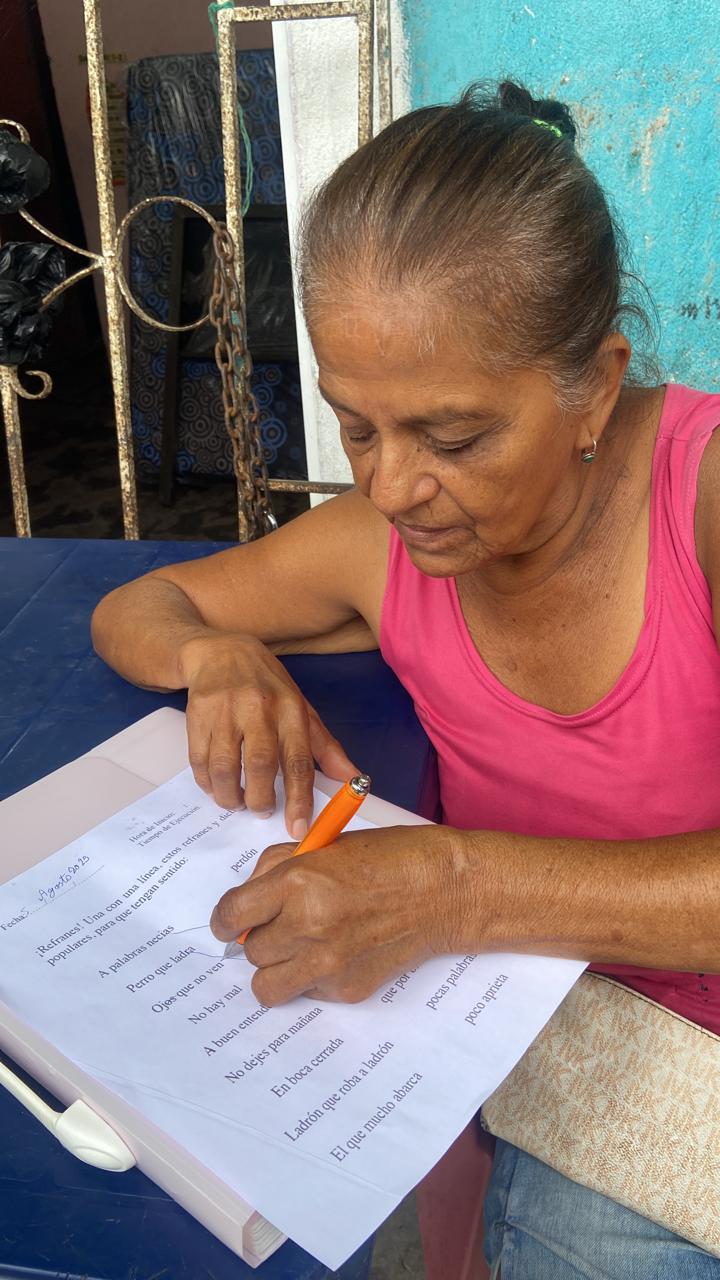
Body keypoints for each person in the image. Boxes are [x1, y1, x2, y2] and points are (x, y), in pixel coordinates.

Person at [92, 81, 720, 1277]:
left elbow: (457, 893)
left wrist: (453, 888)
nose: (389, 485)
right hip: (579, 1060)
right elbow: (139, 607)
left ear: (595, 384)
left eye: (454, 436)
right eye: (356, 425)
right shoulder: (386, 551)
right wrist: (214, 653)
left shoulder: (702, 505)